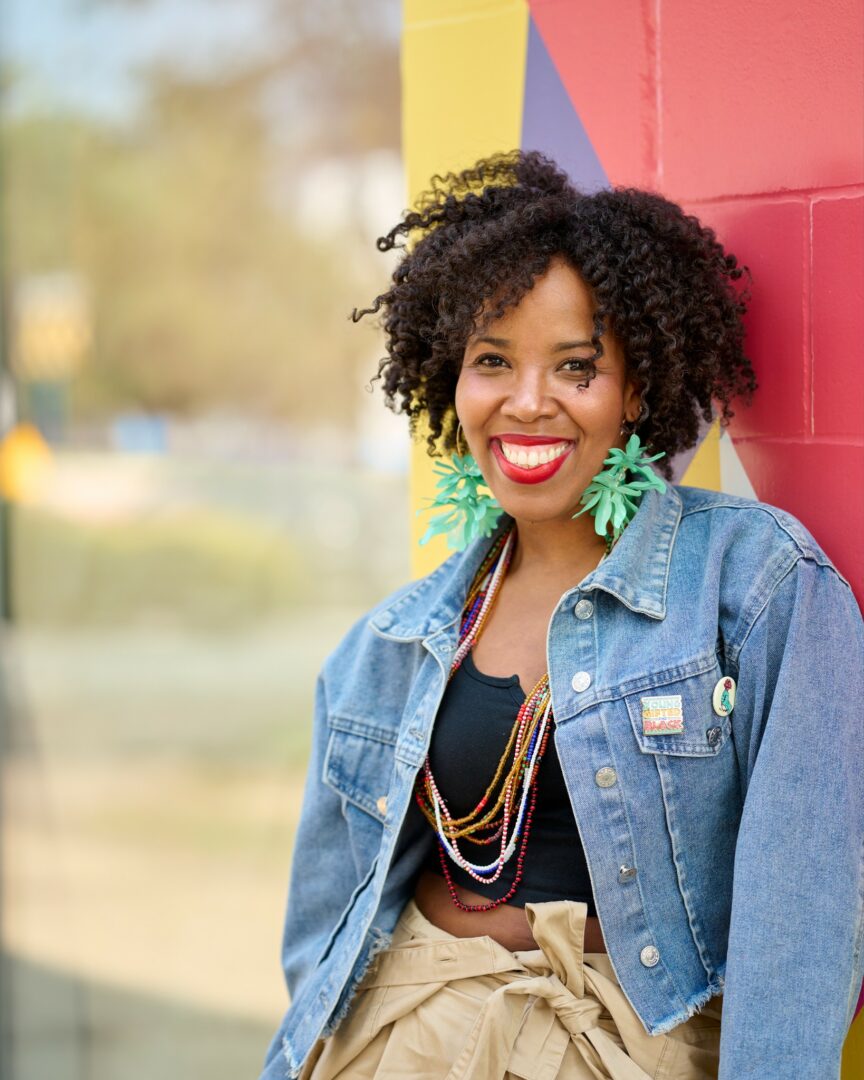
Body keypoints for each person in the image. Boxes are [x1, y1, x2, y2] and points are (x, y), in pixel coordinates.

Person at [260, 150, 864, 1080]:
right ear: (451, 380)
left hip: (619, 1047)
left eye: (576, 367)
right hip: (399, 1038)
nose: (527, 401)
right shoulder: (388, 644)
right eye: (492, 361)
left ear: (636, 389)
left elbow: (805, 910)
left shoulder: (757, 583)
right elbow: (322, 933)